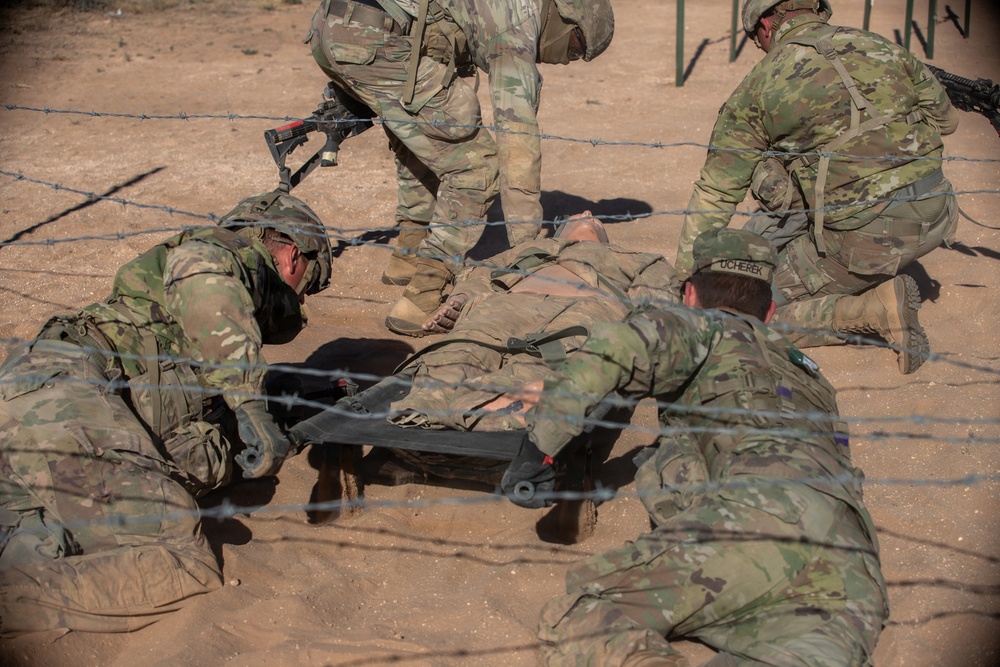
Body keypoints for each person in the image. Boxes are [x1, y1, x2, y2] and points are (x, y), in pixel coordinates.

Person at [503, 228, 888, 665]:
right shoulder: (812, 376)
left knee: (583, 614)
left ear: (688, 296)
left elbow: (616, 350)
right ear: (770, 312)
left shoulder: (703, 327)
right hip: (852, 565)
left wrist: (538, 452)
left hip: (745, 526)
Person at [0, 191, 333, 635]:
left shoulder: (191, 339)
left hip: (40, 415)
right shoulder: (224, 253)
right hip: (58, 394)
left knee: (52, 542)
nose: (302, 302)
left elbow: (173, 449)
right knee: (183, 560)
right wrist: (250, 404)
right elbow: (201, 274)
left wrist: (265, 414)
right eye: (310, 285)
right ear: (292, 256)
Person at [674, 0, 960, 375]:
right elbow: (947, 121)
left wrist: (685, 282)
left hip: (869, 241)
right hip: (939, 211)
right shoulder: (881, 45)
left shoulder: (760, 84)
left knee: (737, 309)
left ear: (765, 24)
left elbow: (716, 192)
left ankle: (873, 307)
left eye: (756, 40)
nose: (760, 48)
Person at [307, 0, 615, 336]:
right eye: (575, 48)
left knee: (433, 138)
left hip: (335, 26)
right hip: (369, 39)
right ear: (566, 18)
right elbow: (517, 140)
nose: (568, 60)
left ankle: (408, 256)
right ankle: (424, 295)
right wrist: (527, 253)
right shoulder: (518, 24)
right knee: (477, 165)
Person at [388, 213, 678, 432]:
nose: (588, 213)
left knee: (541, 365)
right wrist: (462, 299)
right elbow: (482, 273)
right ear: (563, 231)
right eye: (578, 215)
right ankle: (446, 409)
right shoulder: (535, 247)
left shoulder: (642, 259)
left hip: (583, 311)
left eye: (593, 218)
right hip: (508, 305)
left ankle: (494, 406)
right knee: (460, 352)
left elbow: (657, 304)